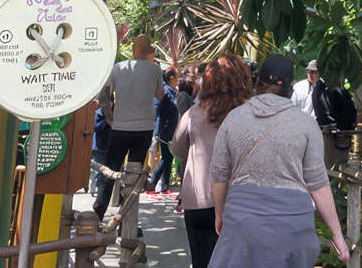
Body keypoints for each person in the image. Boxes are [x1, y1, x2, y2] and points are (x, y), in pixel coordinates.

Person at [207, 54, 350, 267]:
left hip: (243, 224)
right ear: (288, 84)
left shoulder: (233, 119)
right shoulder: (305, 124)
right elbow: (318, 183)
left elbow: (219, 175)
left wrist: (220, 213)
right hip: (292, 227)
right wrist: (337, 233)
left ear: (258, 81)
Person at [171, 54, 253, 268]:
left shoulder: (193, 114)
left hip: (199, 200)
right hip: (241, 201)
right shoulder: (251, 114)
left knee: (201, 261)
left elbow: (177, 149)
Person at [93, 34, 169, 221]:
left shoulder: (118, 68)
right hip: (144, 128)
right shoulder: (154, 70)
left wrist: (110, 118)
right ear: (148, 50)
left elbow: (104, 96)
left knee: (110, 171)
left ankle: (97, 215)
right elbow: (160, 95)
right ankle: (127, 220)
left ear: (134, 49)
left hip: (120, 127)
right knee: (134, 175)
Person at [149, 66, 181, 194]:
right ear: (171, 78)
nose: (179, 79)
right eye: (177, 76)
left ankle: (165, 186)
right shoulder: (165, 91)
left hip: (171, 130)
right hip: (164, 129)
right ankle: (152, 185)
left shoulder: (173, 91)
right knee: (166, 157)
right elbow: (157, 108)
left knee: (168, 157)